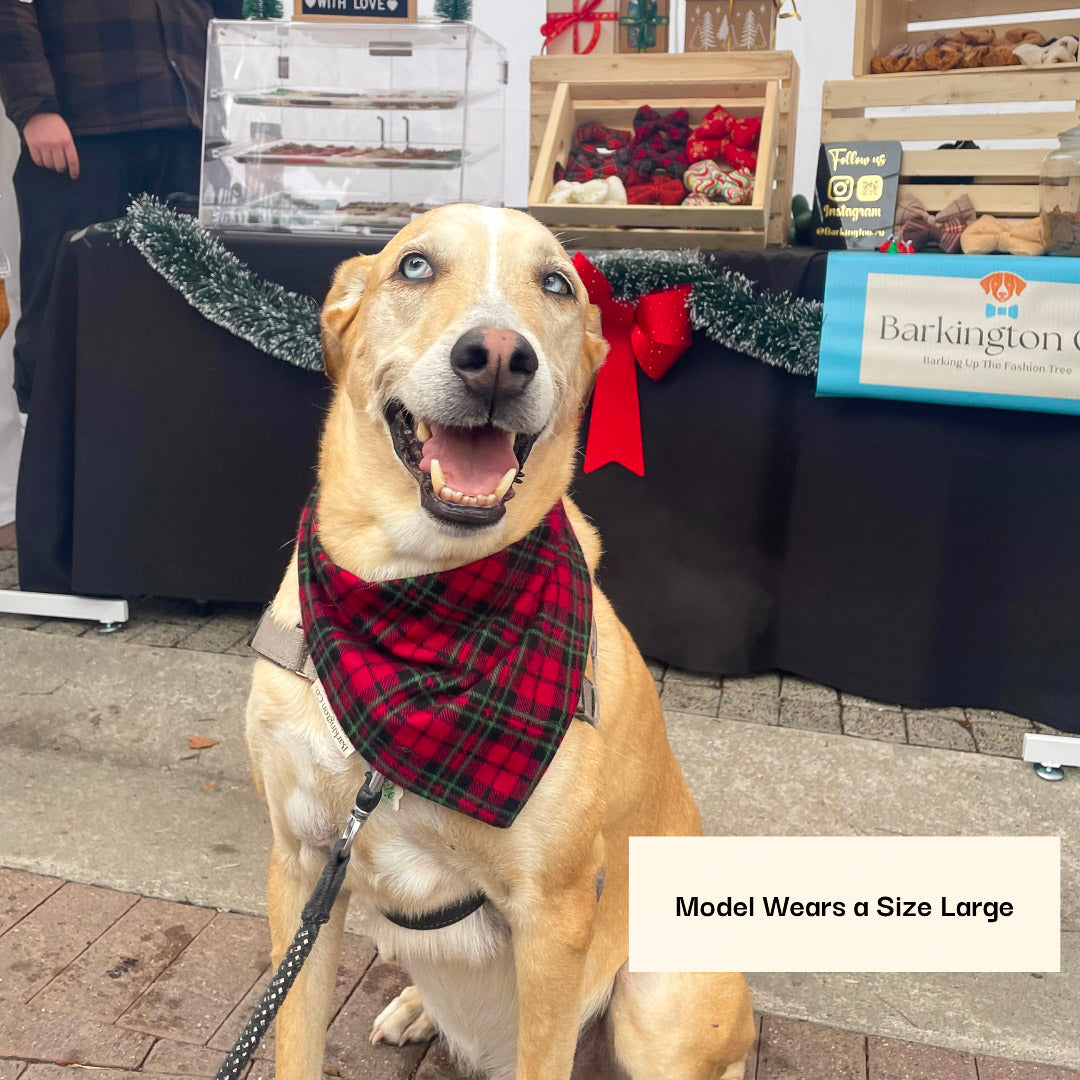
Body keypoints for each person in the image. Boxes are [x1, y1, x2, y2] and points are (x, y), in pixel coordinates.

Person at [0, 0, 243, 413]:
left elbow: (230, 17)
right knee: (65, 295)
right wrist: (35, 107)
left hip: (191, 126)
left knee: (191, 301)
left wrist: (232, 119)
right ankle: (45, 433)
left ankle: (179, 431)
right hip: (82, 132)